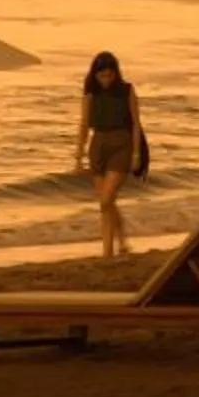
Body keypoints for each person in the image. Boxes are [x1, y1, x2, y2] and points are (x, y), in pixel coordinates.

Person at [74, 49, 143, 258]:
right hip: (98, 145)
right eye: (101, 75)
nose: (106, 79)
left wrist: (137, 154)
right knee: (108, 202)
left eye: (109, 75)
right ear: (95, 75)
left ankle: (107, 252)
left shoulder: (126, 90)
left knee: (106, 200)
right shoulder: (90, 95)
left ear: (116, 73)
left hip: (121, 144)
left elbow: (136, 124)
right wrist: (78, 155)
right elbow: (84, 125)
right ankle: (121, 242)